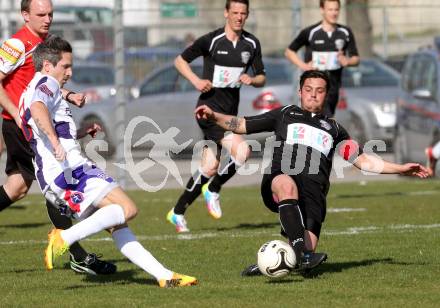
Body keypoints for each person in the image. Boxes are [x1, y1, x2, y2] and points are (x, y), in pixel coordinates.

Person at [195, 70, 429, 276]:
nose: (313, 94)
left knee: (304, 257)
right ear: (300, 92)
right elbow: (242, 124)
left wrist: (401, 169)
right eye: (308, 89)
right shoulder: (285, 114)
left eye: (319, 90)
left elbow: (363, 160)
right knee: (287, 185)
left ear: (326, 94)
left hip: (314, 193)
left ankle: (274, 262)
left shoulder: (335, 130)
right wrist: (215, 116)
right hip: (281, 178)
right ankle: (300, 253)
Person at [21, 36, 197, 288]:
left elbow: (40, 125)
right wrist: (57, 142)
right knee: (127, 209)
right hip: (71, 170)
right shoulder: (46, 82)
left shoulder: (33, 87)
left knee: (118, 223)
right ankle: (64, 237)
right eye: (65, 66)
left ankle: (165, 276)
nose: (70, 73)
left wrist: (77, 134)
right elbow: (38, 110)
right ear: (47, 66)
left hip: (59, 174)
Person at [0, 0, 115, 275]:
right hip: (23, 126)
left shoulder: (47, 45)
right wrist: (17, 113)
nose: (48, 18)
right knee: (58, 188)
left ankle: (76, 246)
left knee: (17, 187)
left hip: (34, 125)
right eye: (41, 14)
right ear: (25, 15)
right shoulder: (17, 45)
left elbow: (42, 86)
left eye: (50, 13)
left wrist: (69, 95)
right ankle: (77, 253)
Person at [167, 0, 266, 233]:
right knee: (243, 151)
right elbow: (179, 61)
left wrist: (252, 80)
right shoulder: (211, 40)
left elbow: (262, 76)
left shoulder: (251, 44)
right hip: (208, 111)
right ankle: (214, 189)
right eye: (235, 13)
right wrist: (196, 81)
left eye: (243, 13)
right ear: (226, 13)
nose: (239, 17)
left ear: (247, 15)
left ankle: (178, 212)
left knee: (210, 166)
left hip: (228, 114)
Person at [285, 0, 359, 117]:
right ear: (322, 10)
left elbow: (356, 58)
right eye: (330, 9)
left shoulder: (345, 32)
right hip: (313, 86)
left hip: (333, 87)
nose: (334, 13)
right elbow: (289, 52)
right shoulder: (311, 32)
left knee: (327, 119)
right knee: (315, 119)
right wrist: (304, 65)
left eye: (336, 9)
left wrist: (347, 61)